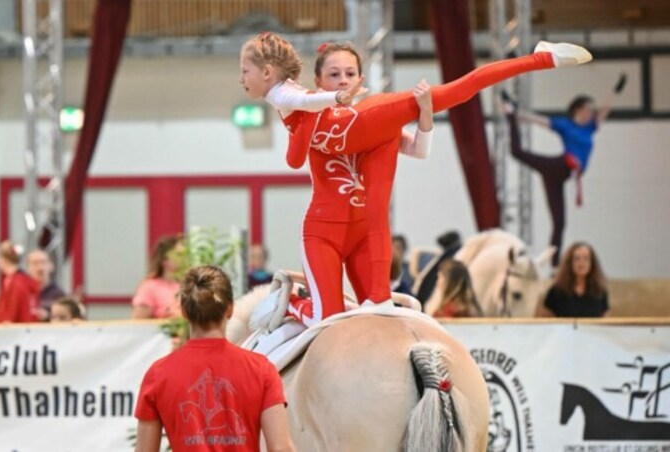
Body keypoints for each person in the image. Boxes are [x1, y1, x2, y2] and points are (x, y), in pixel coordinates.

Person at [241, 33, 592, 324]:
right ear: (318, 80)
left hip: (364, 226)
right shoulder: (306, 107)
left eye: (350, 74)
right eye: (334, 75)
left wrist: (425, 113)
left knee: (454, 92)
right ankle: (291, 303)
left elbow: (419, 150)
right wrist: (329, 102)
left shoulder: (370, 120)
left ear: (361, 80)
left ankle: (538, 59)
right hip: (323, 231)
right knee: (324, 321)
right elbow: (292, 132)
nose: (343, 80)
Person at [134, 266, 295, 452]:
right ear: (230, 309)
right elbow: (281, 448)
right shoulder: (261, 369)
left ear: (184, 312)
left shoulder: (158, 374)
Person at [502, 75, 625, 268]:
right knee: (517, 152)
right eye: (588, 109)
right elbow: (536, 120)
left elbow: (605, 110)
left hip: (559, 177)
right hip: (560, 166)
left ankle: (554, 266)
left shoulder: (591, 128)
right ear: (578, 109)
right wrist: (517, 114)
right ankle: (509, 112)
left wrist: (616, 90)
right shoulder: (565, 125)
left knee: (559, 223)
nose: (592, 113)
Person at [538, 242, 608, 318]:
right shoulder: (556, 291)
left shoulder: (600, 291)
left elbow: (604, 322)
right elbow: (545, 322)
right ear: (570, 263)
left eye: (586, 258)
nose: (582, 263)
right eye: (577, 259)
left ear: (592, 263)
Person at [132, 235, 184, 319]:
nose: (184, 258)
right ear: (164, 260)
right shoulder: (149, 287)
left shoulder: (188, 285)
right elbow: (138, 322)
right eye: (179, 255)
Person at [0, 241, 41, 323]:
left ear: (3, 260)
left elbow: (11, 312)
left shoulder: (15, 283)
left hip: (14, 331)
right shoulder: (26, 281)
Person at [26, 249, 66, 320]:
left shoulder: (58, 294)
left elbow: (65, 320)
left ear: (51, 266)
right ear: (28, 268)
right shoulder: (22, 292)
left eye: (43, 262)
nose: (40, 268)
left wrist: (48, 317)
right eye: (35, 263)